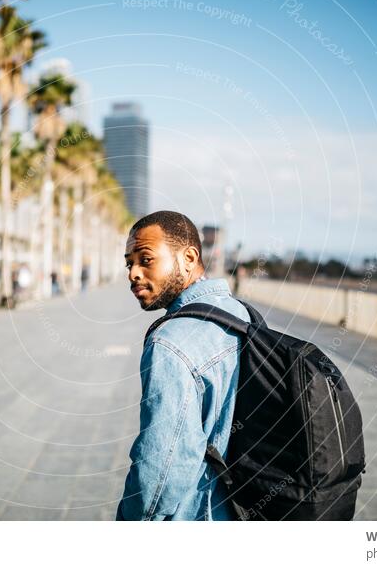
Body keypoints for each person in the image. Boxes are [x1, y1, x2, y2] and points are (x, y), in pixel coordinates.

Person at [116, 210, 250, 521]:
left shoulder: (170, 342)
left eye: (145, 259)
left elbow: (163, 467)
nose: (133, 273)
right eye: (129, 262)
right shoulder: (241, 313)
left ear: (188, 257)